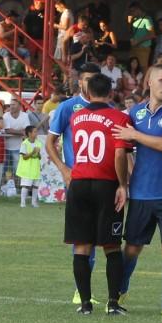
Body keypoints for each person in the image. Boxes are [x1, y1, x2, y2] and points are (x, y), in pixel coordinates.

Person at [113, 65, 162, 316]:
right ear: (149, 82)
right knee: (132, 248)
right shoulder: (134, 113)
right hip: (141, 194)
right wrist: (127, 178)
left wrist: (135, 134)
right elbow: (123, 148)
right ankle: (118, 292)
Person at [53, 73, 130, 315]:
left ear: (87, 93)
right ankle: (113, 303)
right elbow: (120, 154)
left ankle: (85, 304)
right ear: (111, 93)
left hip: (79, 184)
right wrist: (123, 185)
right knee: (112, 246)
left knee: (81, 246)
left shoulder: (76, 117)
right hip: (106, 184)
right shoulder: (119, 117)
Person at [47, 62, 103, 302]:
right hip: (78, 180)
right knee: (82, 235)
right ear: (79, 81)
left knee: (100, 237)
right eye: (86, 79)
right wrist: (63, 169)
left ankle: (86, 291)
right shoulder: (68, 107)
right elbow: (50, 142)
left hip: (103, 181)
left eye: (94, 79)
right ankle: (81, 291)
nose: (90, 83)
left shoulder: (106, 108)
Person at [17, 125, 42, 208]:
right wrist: (33, 152)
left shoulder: (38, 143)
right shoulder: (24, 143)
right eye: (35, 132)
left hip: (36, 168)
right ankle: (22, 203)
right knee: (26, 185)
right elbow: (24, 157)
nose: (36, 133)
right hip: (27, 168)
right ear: (29, 133)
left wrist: (38, 154)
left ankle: (34, 203)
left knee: (36, 186)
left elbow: (39, 157)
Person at [126, 2, 155, 71]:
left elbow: (152, 34)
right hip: (134, 47)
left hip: (143, 48)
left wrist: (138, 41)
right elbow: (130, 32)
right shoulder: (135, 19)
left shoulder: (147, 19)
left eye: (132, 11)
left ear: (138, 9)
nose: (131, 13)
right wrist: (129, 22)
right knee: (131, 67)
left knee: (143, 67)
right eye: (130, 11)